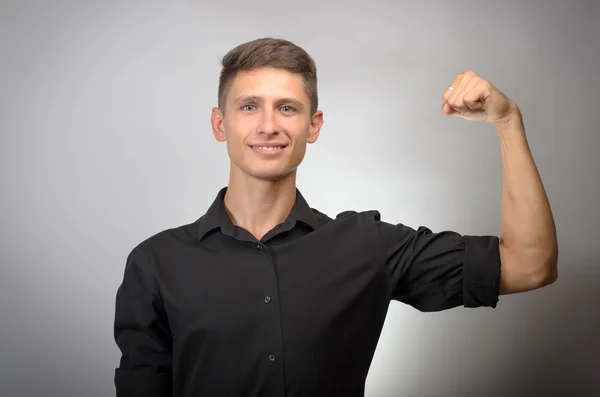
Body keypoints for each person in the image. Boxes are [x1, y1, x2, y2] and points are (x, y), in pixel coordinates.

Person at [113, 37, 558, 397]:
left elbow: (530, 264)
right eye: (249, 107)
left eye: (287, 108)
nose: (268, 125)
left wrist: (507, 121)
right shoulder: (156, 263)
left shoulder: (367, 245)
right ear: (219, 123)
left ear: (314, 125)